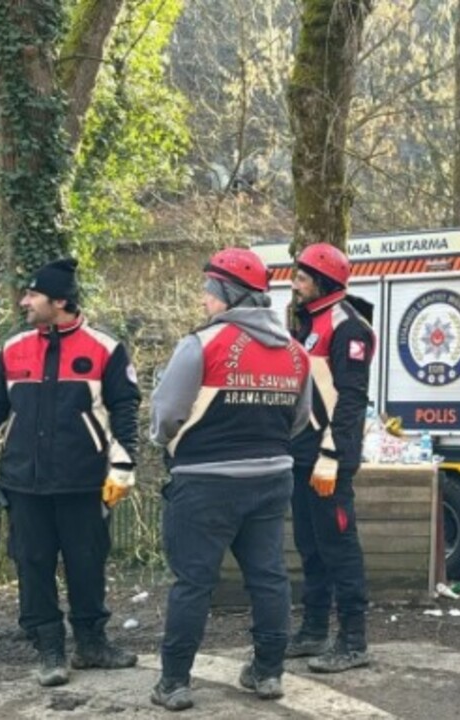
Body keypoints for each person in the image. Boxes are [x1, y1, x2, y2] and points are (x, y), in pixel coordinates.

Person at [0, 257, 140, 687]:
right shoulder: (13, 348)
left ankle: (92, 644)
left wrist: (122, 465)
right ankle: (49, 650)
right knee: (33, 564)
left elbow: (126, 411)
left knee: (87, 564)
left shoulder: (106, 348)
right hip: (24, 484)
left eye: (33, 294)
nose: (24, 301)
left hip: (84, 482)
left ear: (59, 300)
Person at [149, 248, 312, 712]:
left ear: (226, 293)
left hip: (204, 481)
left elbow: (165, 414)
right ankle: (268, 672)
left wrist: (168, 441)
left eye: (208, 289)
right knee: (268, 577)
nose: (203, 299)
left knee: (193, 581)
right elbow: (299, 420)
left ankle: (175, 682)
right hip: (272, 477)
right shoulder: (295, 352)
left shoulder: (203, 344)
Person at [285, 243, 376, 673]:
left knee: (339, 547)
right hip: (302, 456)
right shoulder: (308, 324)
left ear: (322, 281)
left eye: (301, 277)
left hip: (327, 460)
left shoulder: (348, 328)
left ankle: (354, 641)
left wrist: (331, 454)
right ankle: (314, 630)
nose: (294, 283)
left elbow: (351, 399)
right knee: (310, 546)